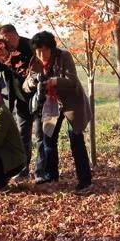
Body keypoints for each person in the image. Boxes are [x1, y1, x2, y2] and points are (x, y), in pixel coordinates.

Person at [23, 31, 93, 192]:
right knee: (49, 139)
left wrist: (54, 81)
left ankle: (85, 180)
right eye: (38, 51)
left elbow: (72, 81)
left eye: (45, 50)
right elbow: (26, 85)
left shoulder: (64, 57)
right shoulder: (35, 61)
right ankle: (51, 176)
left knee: (76, 139)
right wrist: (33, 82)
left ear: (52, 49)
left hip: (71, 103)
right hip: (51, 105)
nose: (41, 54)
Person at [0, 24, 35, 179]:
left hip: (38, 98)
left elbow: (32, 72)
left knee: (41, 135)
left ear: (16, 36)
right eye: (2, 40)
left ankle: (45, 172)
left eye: (9, 39)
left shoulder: (30, 47)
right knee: (23, 135)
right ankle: (23, 170)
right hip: (19, 100)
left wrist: (9, 59)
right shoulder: (1, 51)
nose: (8, 43)